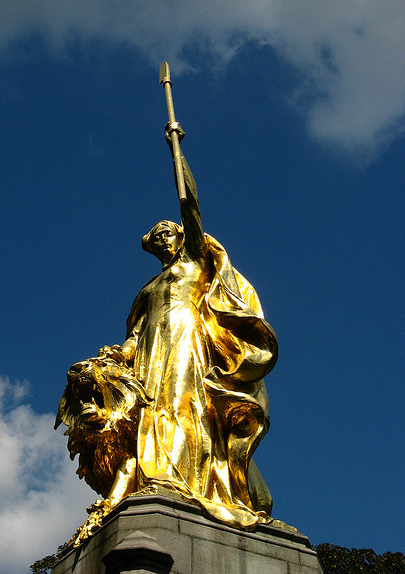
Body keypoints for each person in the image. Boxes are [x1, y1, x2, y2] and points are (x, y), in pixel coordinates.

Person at [101, 125, 279, 530]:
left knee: (185, 403)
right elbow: (134, 333)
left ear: (180, 237)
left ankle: (184, 479)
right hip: (151, 349)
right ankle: (155, 476)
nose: (164, 239)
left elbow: (191, 206)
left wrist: (176, 153)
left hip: (188, 339)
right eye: (156, 238)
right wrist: (119, 355)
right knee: (151, 408)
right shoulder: (148, 289)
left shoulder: (196, 262)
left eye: (168, 233)